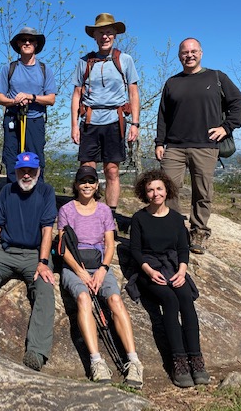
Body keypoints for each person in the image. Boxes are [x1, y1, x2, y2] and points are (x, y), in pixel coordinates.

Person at [155, 37, 241, 253]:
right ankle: (176, 230)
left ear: (201, 53)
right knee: (168, 189)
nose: (189, 55)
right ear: (179, 56)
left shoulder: (216, 77)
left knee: (202, 192)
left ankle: (199, 232)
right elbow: (163, 116)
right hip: (175, 146)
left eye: (193, 51)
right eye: (185, 52)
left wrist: (226, 127)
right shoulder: (172, 83)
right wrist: (160, 142)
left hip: (206, 145)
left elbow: (238, 103)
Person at [57, 166, 143, 388]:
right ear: (76, 184)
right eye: (82, 181)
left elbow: (109, 243)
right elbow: (63, 247)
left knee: (115, 300)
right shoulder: (66, 210)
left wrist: (104, 268)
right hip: (75, 266)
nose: (87, 185)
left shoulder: (104, 210)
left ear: (97, 185)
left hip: (100, 266)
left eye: (91, 181)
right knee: (84, 298)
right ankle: (97, 361)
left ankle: (133, 361)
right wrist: (80, 272)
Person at [0, 152, 57, 371]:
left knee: (45, 287)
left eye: (30, 170)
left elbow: (47, 229)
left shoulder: (46, 192)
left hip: (34, 255)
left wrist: (43, 262)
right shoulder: (7, 191)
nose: (26, 174)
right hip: (6, 252)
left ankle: (37, 352)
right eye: (22, 170)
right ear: (16, 171)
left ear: (38, 171)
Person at [129, 169, 210, 388]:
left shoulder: (176, 219)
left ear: (167, 190)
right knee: (170, 300)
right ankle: (179, 361)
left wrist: (182, 271)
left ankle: (196, 358)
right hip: (149, 270)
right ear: (144, 193)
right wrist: (149, 271)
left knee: (185, 299)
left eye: (159, 189)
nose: (155, 193)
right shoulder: (139, 218)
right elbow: (135, 250)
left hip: (173, 267)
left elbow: (183, 248)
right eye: (150, 190)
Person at [71, 13, 140, 217]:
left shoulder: (124, 60)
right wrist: (74, 125)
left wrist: (134, 123)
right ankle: (86, 213)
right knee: (87, 172)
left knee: (112, 171)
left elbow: (133, 92)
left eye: (109, 32)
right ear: (95, 36)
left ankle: (110, 216)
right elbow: (76, 95)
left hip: (115, 121)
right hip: (90, 120)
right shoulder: (84, 62)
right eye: (101, 32)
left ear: (115, 35)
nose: (105, 36)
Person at [0, 27, 56, 182]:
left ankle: (37, 195)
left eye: (31, 40)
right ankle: (12, 195)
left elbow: (50, 99)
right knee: (11, 158)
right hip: (12, 118)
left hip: (35, 120)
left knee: (36, 158)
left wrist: (31, 97)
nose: (27, 43)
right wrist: (13, 101)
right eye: (23, 40)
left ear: (36, 44)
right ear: (18, 44)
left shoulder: (44, 70)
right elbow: (0, 98)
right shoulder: (9, 69)